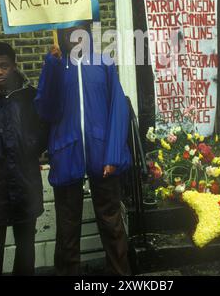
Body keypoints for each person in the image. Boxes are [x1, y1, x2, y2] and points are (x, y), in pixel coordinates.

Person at [35, 23, 132, 276]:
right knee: (67, 229)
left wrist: (113, 155)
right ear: (61, 36)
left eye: (79, 31)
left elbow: (118, 110)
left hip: (103, 157)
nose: (74, 37)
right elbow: (46, 110)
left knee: (112, 224)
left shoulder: (104, 63)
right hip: (66, 155)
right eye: (67, 32)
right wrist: (51, 67)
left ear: (88, 33)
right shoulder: (56, 66)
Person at [0, 42, 48, 276]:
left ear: (14, 66)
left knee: (26, 248)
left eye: (4, 66)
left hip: (25, 183)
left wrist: (28, 146)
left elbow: (43, 129)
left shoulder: (29, 96)